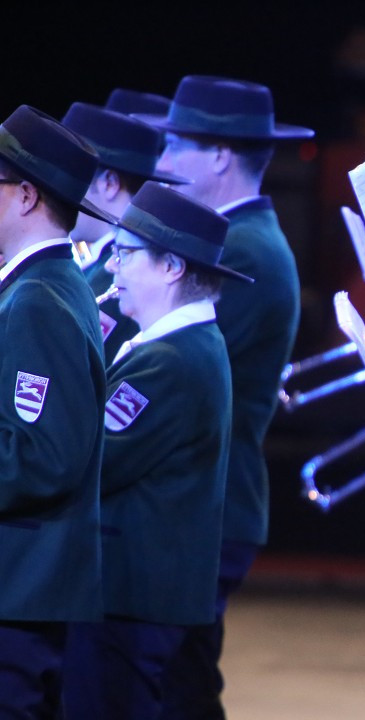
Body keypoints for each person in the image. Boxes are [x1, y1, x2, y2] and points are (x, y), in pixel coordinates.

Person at [142, 74, 313, 718]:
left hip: (201, 505)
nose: (159, 165)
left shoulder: (241, 250)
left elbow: (166, 369)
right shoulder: (234, 240)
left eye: (173, 147)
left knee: (170, 692)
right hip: (198, 503)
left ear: (218, 155)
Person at [63, 182, 251, 719]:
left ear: (171, 267)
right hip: (139, 594)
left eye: (125, 255)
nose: (113, 269)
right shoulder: (172, 348)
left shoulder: (169, 360)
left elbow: (91, 460)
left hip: (129, 594)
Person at [0, 104, 115, 717]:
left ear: (23, 196)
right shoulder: (37, 288)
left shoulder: (39, 299)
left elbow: (41, 458)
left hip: (19, 586)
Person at [61, 102, 189, 364]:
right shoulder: (100, 264)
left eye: (68, 176)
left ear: (108, 183)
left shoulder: (117, 274)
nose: (55, 190)